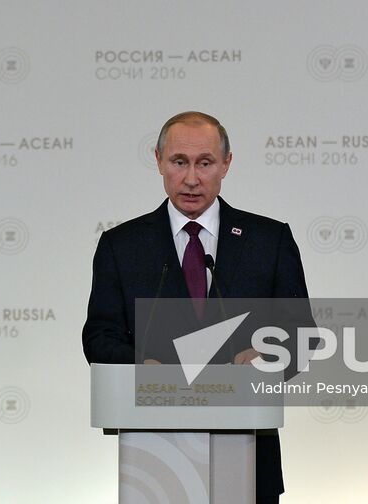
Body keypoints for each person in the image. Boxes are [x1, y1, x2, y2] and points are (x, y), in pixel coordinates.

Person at [83, 111, 311, 503]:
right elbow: (100, 336)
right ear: (158, 161)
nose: (191, 178)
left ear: (226, 164)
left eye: (205, 163)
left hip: (250, 458)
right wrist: (140, 363)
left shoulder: (269, 240)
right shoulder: (121, 246)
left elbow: (302, 334)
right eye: (179, 162)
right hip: (154, 458)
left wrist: (268, 355)